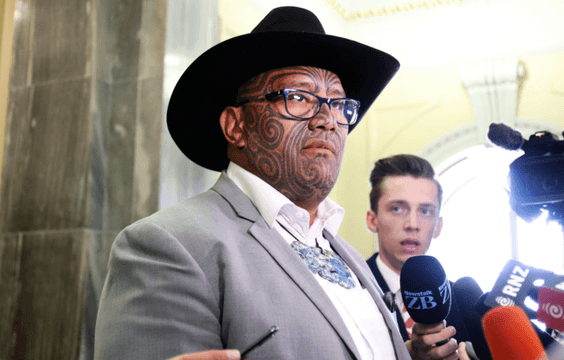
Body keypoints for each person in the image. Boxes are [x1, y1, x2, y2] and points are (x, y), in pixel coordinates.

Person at [94, 7, 469, 360]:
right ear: (236, 125)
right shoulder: (168, 245)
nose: (327, 120)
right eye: (299, 97)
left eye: (340, 105)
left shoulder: (348, 255)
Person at [365, 154, 471, 344]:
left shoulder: (463, 302)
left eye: (425, 211)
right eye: (397, 209)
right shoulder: (350, 291)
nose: (412, 224)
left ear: (438, 226)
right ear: (372, 220)